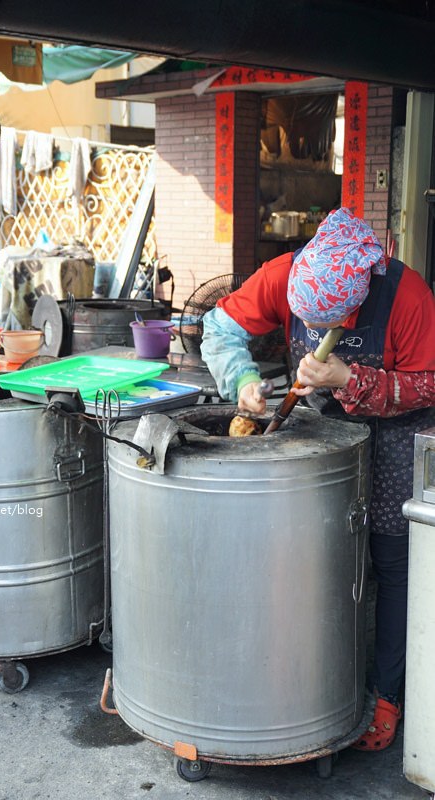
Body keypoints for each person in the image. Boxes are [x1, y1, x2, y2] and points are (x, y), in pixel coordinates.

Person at [200, 207, 435, 751]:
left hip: (399, 430)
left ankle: (387, 693)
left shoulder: (409, 296)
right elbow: (219, 328)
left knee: (390, 559)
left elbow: (428, 384)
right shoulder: (286, 273)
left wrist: (351, 377)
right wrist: (243, 377)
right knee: (315, 553)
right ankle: (309, 679)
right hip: (322, 426)